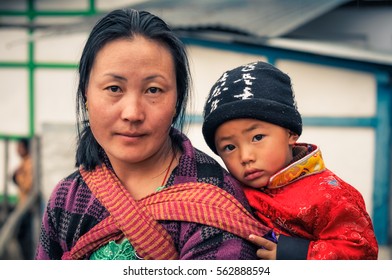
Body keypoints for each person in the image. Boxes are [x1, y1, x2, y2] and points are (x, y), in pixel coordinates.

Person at [35, 9, 273, 260]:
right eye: (114, 88)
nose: (133, 113)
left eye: (153, 90)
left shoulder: (215, 201)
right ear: (86, 94)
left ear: (176, 100)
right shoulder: (68, 197)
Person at [202, 61, 379, 260]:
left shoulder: (330, 195)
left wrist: (294, 254)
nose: (245, 157)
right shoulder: (229, 191)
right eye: (229, 147)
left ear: (291, 133)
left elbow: (362, 252)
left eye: (257, 137)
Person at [12, 137, 34, 259]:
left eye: (20, 147)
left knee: (24, 236)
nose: (17, 150)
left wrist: (17, 177)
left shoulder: (29, 163)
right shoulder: (23, 162)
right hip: (22, 204)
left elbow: (28, 185)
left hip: (27, 207)